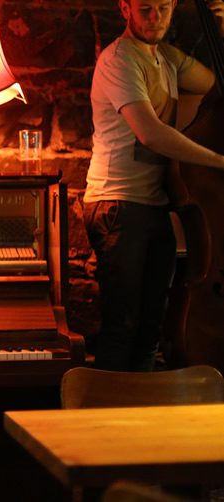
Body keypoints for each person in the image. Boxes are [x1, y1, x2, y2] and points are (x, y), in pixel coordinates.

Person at [83, 0, 224, 371]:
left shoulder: (168, 58)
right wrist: (221, 162)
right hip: (117, 204)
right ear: (124, 8)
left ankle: (142, 419)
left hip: (155, 203)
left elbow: (217, 87)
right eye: (145, 8)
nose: (155, 18)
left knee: (151, 330)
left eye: (163, 7)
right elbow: (150, 133)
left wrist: (222, 30)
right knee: (122, 325)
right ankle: (107, 422)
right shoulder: (119, 60)